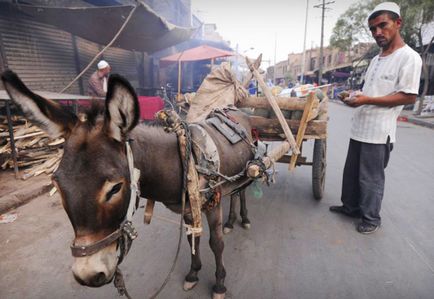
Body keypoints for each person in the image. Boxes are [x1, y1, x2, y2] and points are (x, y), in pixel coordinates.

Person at [329, 2, 422, 234]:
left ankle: (371, 219)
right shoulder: (376, 59)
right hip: (360, 127)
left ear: (398, 23)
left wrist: (366, 100)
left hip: (379, 132)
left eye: (383, 26)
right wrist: (352, 96)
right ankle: (350, 207)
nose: (377, 33)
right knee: (351, 174)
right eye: (373, 29)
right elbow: (369, 91)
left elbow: (409, 97)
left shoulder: (409, 57)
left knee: (370, 179)